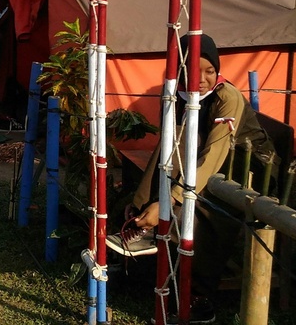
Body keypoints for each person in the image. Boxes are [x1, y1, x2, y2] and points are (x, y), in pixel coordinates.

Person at [110, 34, 274, 324]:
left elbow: (216, 151)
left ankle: (200, 298)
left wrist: (171, 198)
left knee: (201, 211)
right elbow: (170, 144)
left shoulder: (227, 97)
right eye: (194, 71)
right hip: (205, 161)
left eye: (209, 71)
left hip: (247, 167)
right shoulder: (174, 92)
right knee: (169, 151)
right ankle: (141, 221)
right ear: (181, 69)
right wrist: (148, 198)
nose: (202, 79)